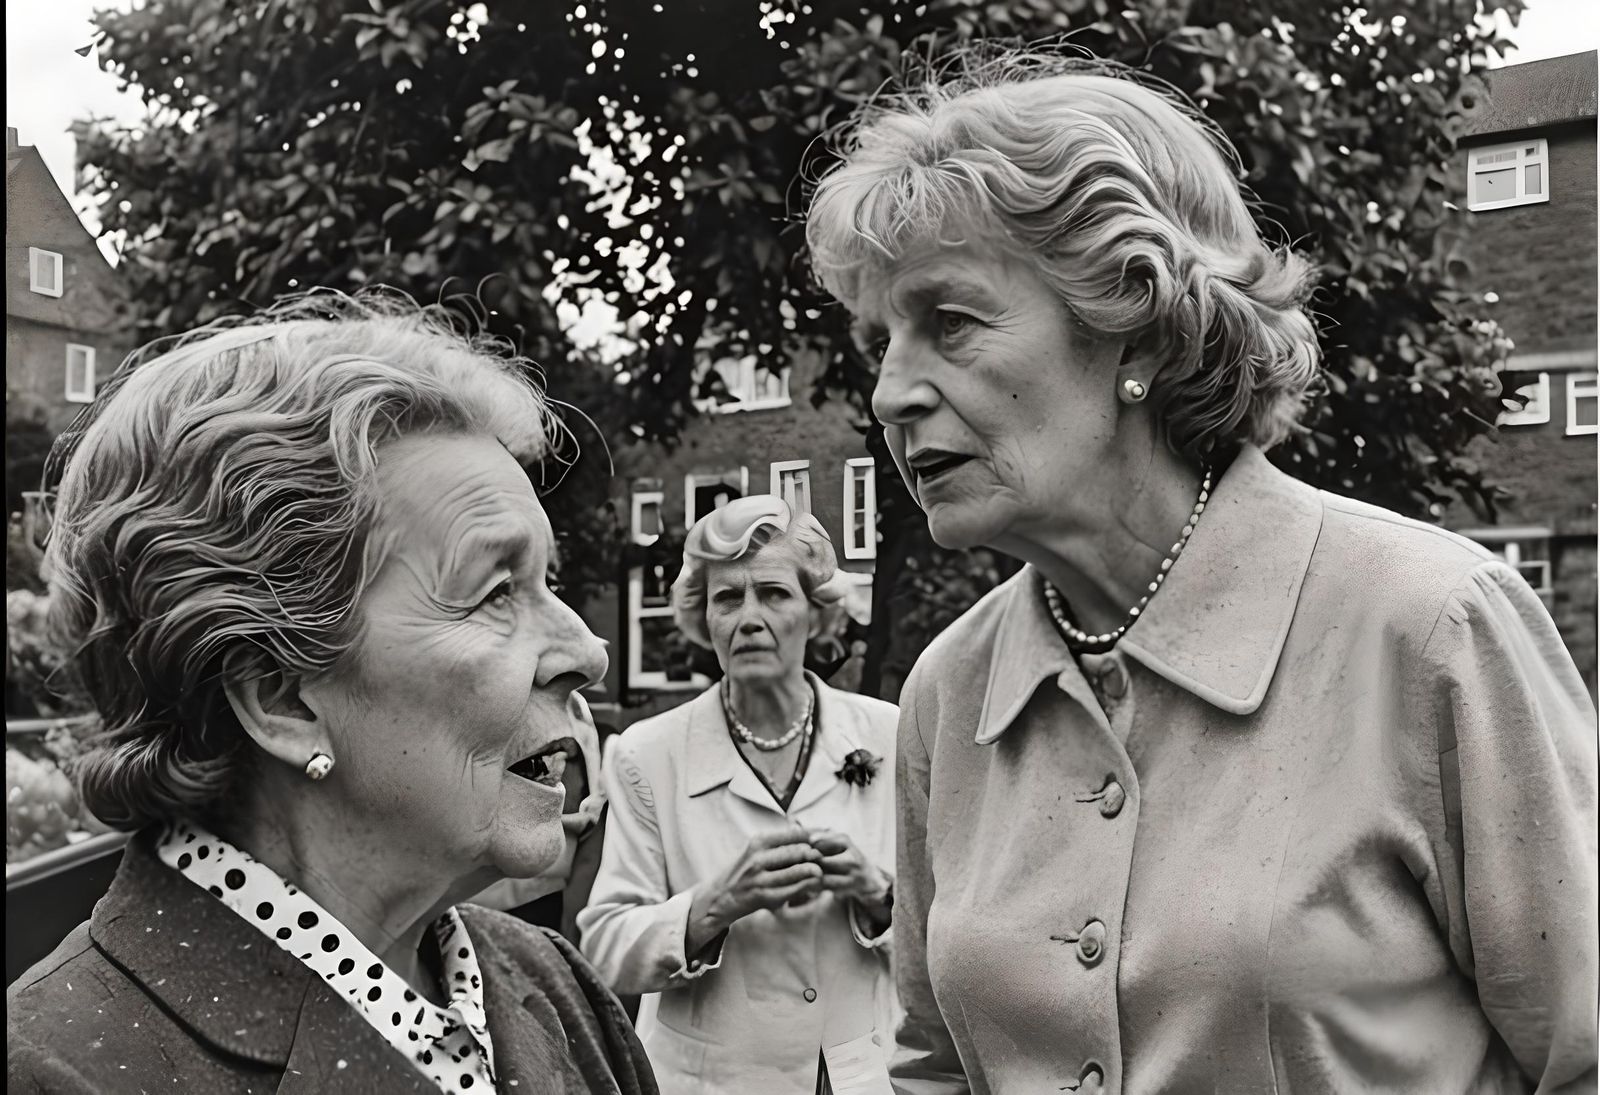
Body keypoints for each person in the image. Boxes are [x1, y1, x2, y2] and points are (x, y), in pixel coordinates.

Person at [804, 50, 1598, 1095]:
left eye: (948, 322)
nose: (892, 392)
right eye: (881, 341)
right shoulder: (950, 694)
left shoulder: (1430, 627)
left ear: (1131, 318)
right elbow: (935, 1068)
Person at [6, 293, 657, 1095]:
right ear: (282, 697)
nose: (586, 652)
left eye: (546, 581)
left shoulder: (554, 984)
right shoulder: (59, 1071)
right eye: (495, 590)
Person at [578, 496, 899, 1095]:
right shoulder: (646, 754)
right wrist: (713, 906)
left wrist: (877, 895)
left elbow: (948, 923)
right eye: (728, 598)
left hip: (865, 1076)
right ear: (706, 620)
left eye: (774, 594)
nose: (749, 617)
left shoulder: (890, 734)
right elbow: (603, 949)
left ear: (817, 614)